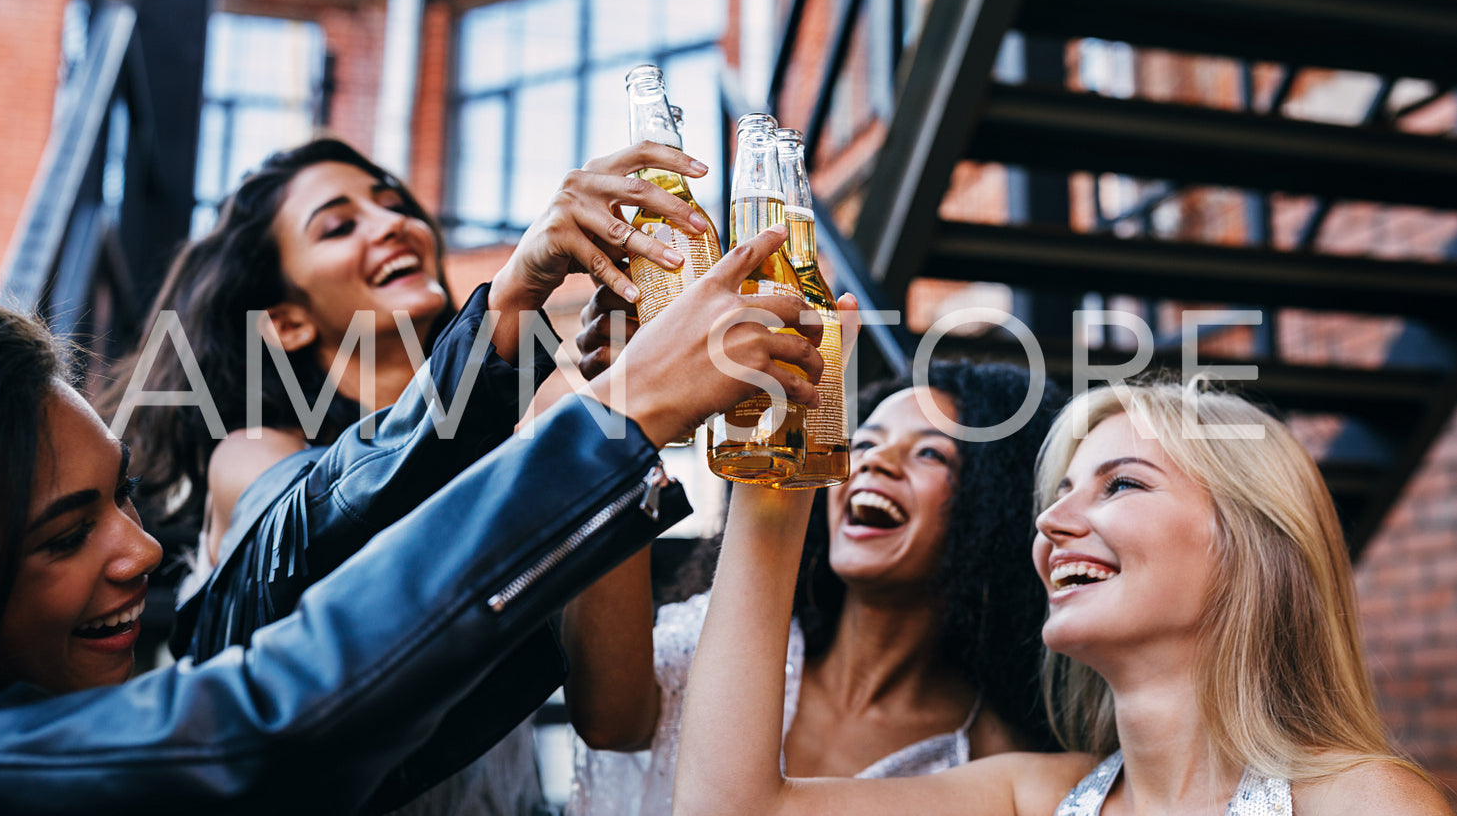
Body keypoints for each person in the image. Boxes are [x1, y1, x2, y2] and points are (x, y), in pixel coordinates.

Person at [0, 222, 821, 812]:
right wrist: (607, 422)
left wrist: (546, 380)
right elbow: (273, 710)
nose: (144, 551)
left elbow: (608, 707)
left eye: (127, 493)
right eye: (65, 535)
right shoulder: (254, 453)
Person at [98, 137, 723, 811]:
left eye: (395, 204)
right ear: (285, 322)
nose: (393, 222)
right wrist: (510, 300)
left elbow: (617, 717)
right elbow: (328, 524)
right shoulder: (251, 454)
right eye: (339, 225)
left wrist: (609, 418)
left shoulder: (541, 432)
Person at [671, 380, 1453, 816]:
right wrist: (780, 467)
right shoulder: (1029, 796)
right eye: (1057, 493)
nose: (1048, 522)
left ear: (1249, 542)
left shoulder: (1366, 803)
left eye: (1118, 484)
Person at [563, 352, 1066, 815]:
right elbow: (608, 720)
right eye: (864, 442)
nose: (874, 461)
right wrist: (625, 415)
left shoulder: (991, 753)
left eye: (930, 454)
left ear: (992, 509)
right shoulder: (724, 639)